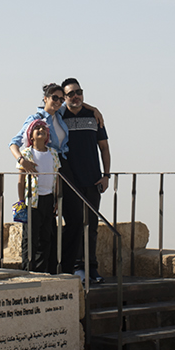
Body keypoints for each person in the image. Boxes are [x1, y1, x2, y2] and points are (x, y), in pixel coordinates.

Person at [59, 78, 110, 283]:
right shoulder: (58, 116)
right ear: (64, 97)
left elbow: (104, 148)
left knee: (92, 226)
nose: (75, 96)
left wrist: (106, 175)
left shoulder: (93, 117)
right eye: (70, 93)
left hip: (93, 180)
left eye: (78, 92)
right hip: (69, 181)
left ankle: (91, 268)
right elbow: (46, 106)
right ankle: (74, 268)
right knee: (73, 225)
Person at [19, 119, 61, 274]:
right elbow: (21, 179)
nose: (41, 131)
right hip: (32, 200)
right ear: (31, 134)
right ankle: (28, 269)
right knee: (30, 236)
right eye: (37, 128)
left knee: (46, 236)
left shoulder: (53, 154)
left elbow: (56, 177)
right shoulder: (27, 153)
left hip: (48, 198)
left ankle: (42, 269)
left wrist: (57, 199)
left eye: (43, 129)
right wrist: (21, 201)